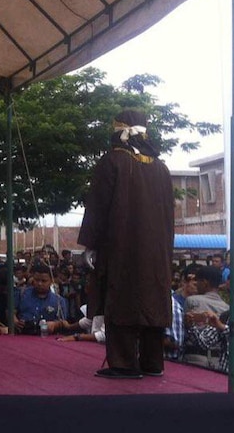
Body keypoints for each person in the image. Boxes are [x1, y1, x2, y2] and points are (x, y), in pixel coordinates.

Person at [77, 110, 174, 379]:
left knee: (121, 298)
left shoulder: (113, 161)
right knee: (153, 299)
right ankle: (153, 362)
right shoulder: (162, 169)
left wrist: (90, 244)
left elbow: (97, 206)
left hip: (123, 250)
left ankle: (122, 363)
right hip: (157, 254)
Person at [187, 273, 234, 382]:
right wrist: (191, 325)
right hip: (225, 379)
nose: (233, 295)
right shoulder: (225, 316)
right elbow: (205, 343)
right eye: (229, 291)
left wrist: (222, 327)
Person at [16, 263, 68, 335]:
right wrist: (15, 321)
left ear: (51, 281)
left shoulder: (59, 301)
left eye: (44, 281)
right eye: (37, 280)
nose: (39, 283)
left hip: (47, 339)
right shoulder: (21, 294)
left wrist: (55, 324)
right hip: (21, 336)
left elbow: (64, 323)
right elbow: (10, 312)